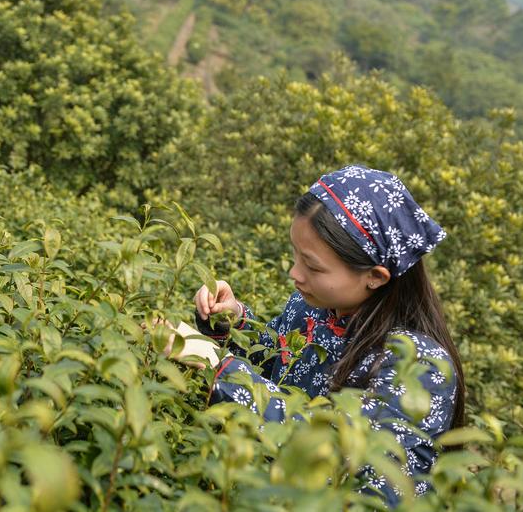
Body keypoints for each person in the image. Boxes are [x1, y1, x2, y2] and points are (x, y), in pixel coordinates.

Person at [177, 165, 464, 504]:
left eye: (312, 266)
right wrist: (233, 325)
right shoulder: (310, 307)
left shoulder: (417, 367)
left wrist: (220, 369)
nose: (294, 273)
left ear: (375, 276)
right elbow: (275, 363)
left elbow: (347, 464)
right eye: (295, 254)